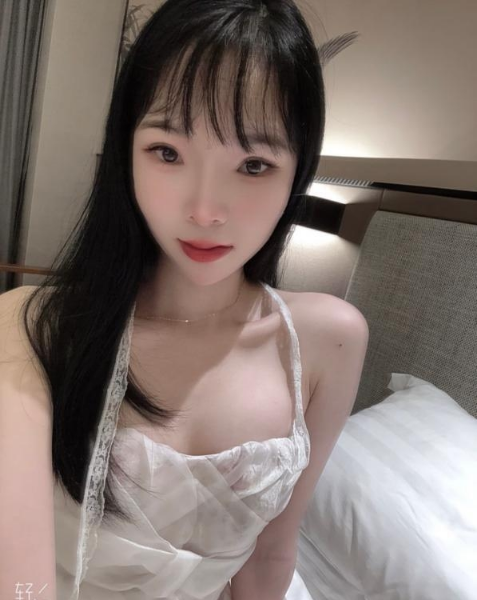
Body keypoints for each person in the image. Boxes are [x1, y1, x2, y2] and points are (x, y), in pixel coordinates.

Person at [0, 1, 369, 599]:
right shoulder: (32, 324)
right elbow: (20, 578)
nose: (204, 210)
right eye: (167, 152)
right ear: (126, 151)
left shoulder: (330, 340)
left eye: (254, 164)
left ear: (297, 174)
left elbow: (271, 552)